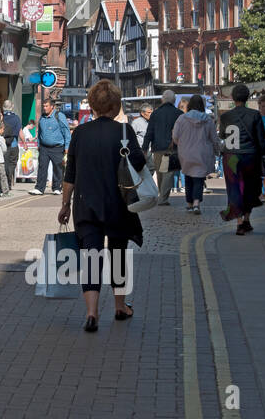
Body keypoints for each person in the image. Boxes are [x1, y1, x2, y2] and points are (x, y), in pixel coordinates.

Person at [57, 80, 146, 333]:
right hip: (118, 204)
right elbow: (139, 164)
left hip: (86, 204)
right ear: (116, 104)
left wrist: (65, 204)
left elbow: (70, 174)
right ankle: (120, 307)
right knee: (118, 254)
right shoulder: (125, 132)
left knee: (91, 257)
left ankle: (92, 312)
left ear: (93, 105)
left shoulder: (80, 134)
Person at [219, 83, 265, 235]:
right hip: (250, 156)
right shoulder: (255, 115)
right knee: (250, 188)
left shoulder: (225, 116)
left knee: (234, 188)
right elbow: (262, 140)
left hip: (231, 157)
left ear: (232, 97)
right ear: (248, 97)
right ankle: (247, 220)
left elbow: (222, 135)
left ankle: (239, 221)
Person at [172, 94, 221, 214]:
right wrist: (217, 151)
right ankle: (196, 203)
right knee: (198, 178)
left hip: (185, 152)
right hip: (202, 152)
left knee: (188, 176)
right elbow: (214, 138)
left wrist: (181, 144)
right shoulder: (208, 120)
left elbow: (175, 136)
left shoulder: (181, 119)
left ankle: (189, 203)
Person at [142, 91, 182, 205]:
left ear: (162, 100)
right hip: (172, 147)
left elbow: (149, 132)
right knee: (168, 173)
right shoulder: (178, 113)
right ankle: (163, 198)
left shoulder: (155, 113)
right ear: (174, 100)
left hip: (157, 147)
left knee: (160, 172)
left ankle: (162, 196)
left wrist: (144, 148)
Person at [31, 98, 71, 196]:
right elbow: (40, 132)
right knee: (42, 167)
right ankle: (39, 188)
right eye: (43, 106)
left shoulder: (59, 116)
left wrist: (67, 147)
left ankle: (57, 188)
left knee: (58, 168)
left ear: (52, 107)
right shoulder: (42, 117)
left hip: (57, 147)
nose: (44, 108)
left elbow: (67, 132)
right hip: (44, 147)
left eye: (46, 106)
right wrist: (39, 144)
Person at [1, 99, 22, 192]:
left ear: (3, 107)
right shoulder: (16, 118)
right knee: (12, 164)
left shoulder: (1, 118)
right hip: (13, 144)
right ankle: (8, 183)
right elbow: (20, 131)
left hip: (2, 144)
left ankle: (3, 183)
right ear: (12, 107)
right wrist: (24, 143)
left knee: (3, 163)